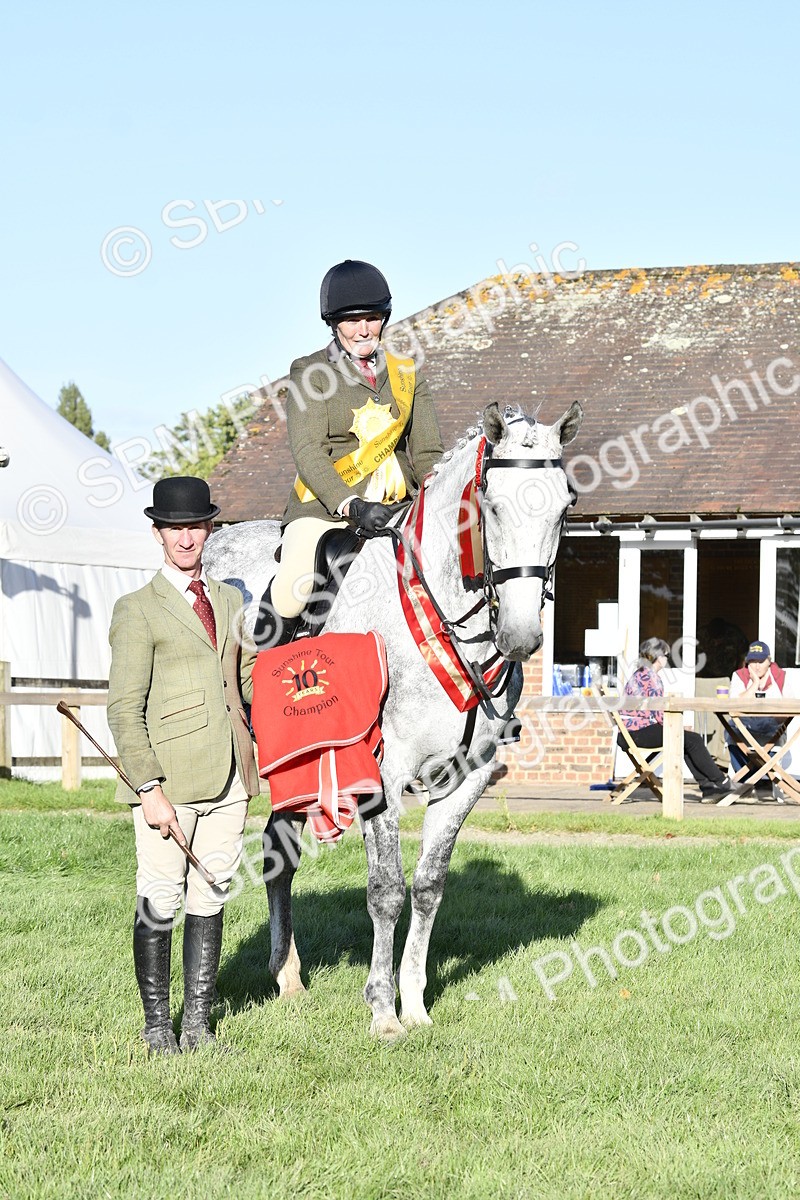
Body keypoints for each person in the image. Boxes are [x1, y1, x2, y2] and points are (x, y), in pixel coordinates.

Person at [107, 476, 260, 1055]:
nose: (186, 538)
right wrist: (148, 787)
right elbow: (123, 709)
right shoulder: (136, 610)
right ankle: (156, 1028)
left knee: (210, 894)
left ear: (209, 528)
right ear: (158, 534)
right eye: (175, 528)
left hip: (231, 778)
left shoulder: (231, 601)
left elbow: (248, 681)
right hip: (168, 783)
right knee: (160, 897)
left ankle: (196, 1026)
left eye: (195, 526)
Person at [253, 259, 444, 647]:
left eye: (372, 318)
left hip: (399, 507)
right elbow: (308, 451)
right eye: (352, 320)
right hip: (326, 509)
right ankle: (265, 668)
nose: (364, 329)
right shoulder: (310, 372)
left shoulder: (407, 374)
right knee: (293, 588)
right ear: (333, 323)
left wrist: (441, 500)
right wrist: (351, 504)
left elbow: (427, 453)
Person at [621, 637, 741, 802]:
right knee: (693, 739)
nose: (667, 659)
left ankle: (709, 788)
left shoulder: (641, 674)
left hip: (632, 731)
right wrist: (678, 727)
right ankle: (722, 782)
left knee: (686, 740)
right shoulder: (650, 678)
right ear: (657, 657)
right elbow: (658, 712)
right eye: (666, 656)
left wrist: (679, 728)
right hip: (637, 732)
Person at [726, 640, 791, 784]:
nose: (756, 666)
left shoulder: (780, 677)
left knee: (774, 731)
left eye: (761, 661)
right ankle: (745, 782)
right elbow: (734, 705)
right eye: (753, 661)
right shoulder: (739, 675)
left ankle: (753, 782)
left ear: (769, 661)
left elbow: (789, 708)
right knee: (731, 729)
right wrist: (754, 684)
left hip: (772, 729)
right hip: (744, 729)